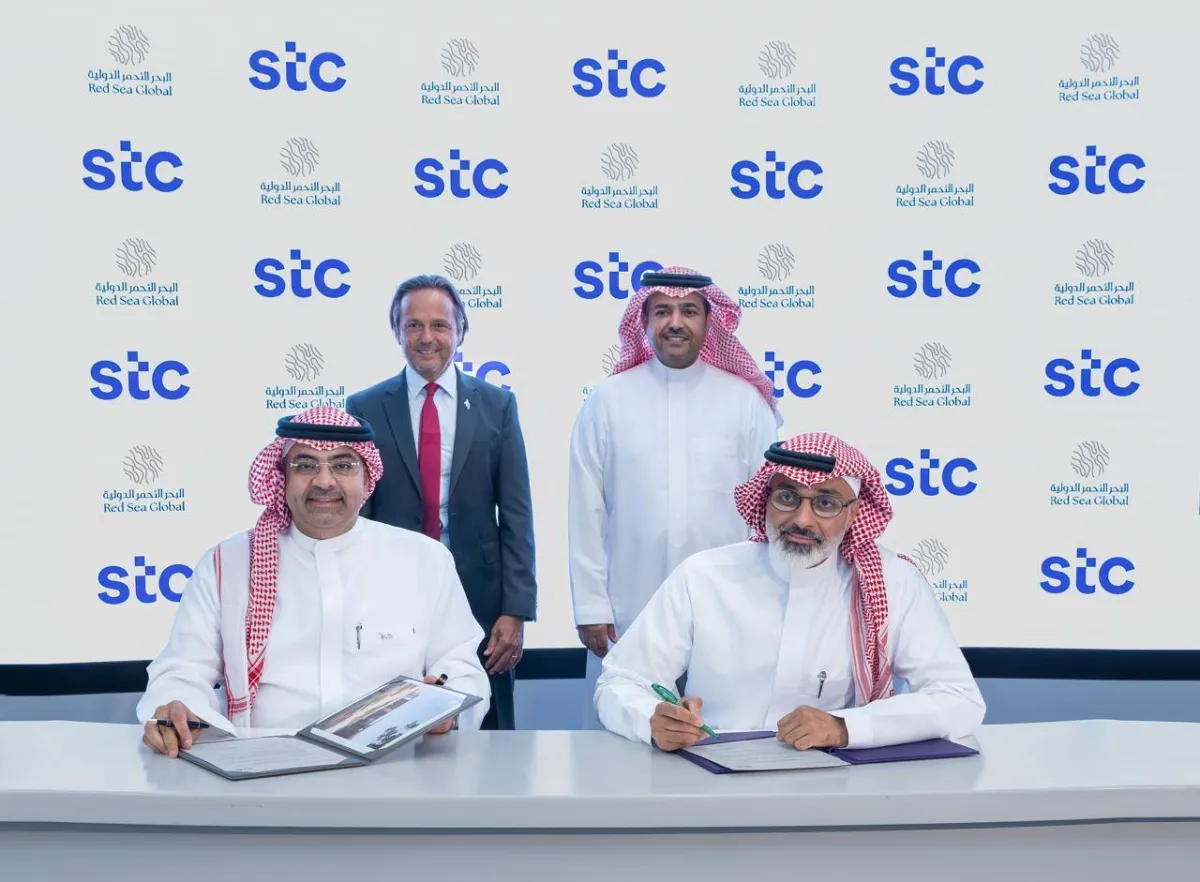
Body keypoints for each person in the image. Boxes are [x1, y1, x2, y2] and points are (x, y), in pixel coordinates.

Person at [594, 432, 985, 751]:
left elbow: (960, 699)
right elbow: (619, 683)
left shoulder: (893, 582)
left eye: (826, 503)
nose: (802, 518)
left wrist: (844, 727)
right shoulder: (704, 577)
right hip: (712, 779)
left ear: (853, 514)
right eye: (787, 497)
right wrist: (652, 721)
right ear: (766, 500)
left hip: (838, 788)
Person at [138, 406, 489, 758]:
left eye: (343, 465)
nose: (324, 482)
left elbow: (459, 666)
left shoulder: (424, 559)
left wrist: (448, 707)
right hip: (261, 765)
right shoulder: (227, 563)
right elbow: (183, 669)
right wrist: (177, 706)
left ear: (367, 478)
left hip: (394, 765)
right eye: (305, 465)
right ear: (282, 476)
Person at [568, 267, 780, 728]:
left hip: (729, 605)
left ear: (709, 321)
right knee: (627, 732)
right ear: (644, 321)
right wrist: (591, 606)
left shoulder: (745, 401)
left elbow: (770, 512)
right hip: (630, 603)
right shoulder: (608, 400)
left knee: (723, 732)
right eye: (662, 311)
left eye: (689, 311)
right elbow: (585, 509)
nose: (675, 322)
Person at [346, 274, 536, 731]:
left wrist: (515, 610)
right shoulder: (365, 407)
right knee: (390, 721)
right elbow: (357, 512)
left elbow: (516, 513)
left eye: (439, 325)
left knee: (487, 726)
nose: (426, 337)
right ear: (397, 331)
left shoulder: (497, 406)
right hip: (389, 590)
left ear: (461, 331)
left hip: (480, 597)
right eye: (413, 325)